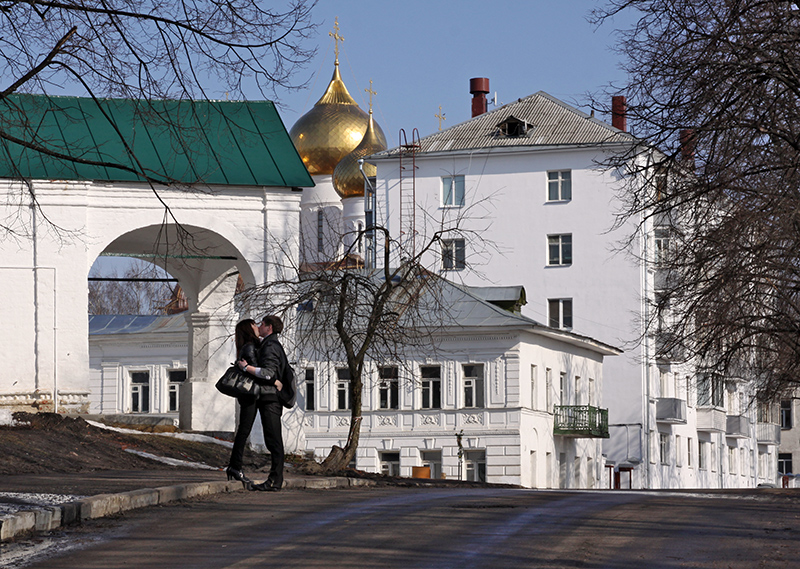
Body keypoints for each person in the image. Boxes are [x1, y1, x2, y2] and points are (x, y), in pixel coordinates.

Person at [225, 317, 283, 490]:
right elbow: (261, 373)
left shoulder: (252, 346)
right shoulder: (250, 347)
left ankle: (234, 467)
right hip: (251, 395)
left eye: (260, 324)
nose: (258, 326)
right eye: (254, 325)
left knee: (244, 430)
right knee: (244, 431)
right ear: (249, 330)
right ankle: (235, 467)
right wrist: (275, 382)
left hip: (250, 395)